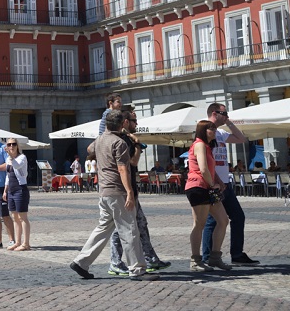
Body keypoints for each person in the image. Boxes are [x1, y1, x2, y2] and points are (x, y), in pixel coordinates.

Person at [69, 110, 158, 281]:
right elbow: (123, 168)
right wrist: (130, 192)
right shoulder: (119, 143)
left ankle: (81, 261)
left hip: (104, 191)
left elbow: (89, 149)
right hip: (118, 191)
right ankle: (137, 269)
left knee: (103, 228)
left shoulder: (101, 139)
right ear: (123, 123)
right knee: (129, 229)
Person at [107, 106, 170, 275]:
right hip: (124, 190)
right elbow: (132, 163)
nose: (137, 124)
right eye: (134, 121)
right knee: (120, 227)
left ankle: (150, 259)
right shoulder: (124, 141)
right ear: (126, 122)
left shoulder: (126, 138)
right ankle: (115, 261)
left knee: (140, 224)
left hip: (129, 189)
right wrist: (137, 145)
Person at [201, 103, 258, 266]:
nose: (226, 115)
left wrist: (229, 123)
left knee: (238, 216)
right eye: (224, 113)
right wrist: (215, 181)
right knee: (212, 220)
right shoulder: (205, 130)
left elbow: (241, 139)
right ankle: (207, 257)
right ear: (214, 113)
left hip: (225, 183)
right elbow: (205, 160)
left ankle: (237, 253)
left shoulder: (220, 132)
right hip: (214, 183)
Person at [185, 120, 231, 272]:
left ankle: (215, 258)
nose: (214, 130)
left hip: (208, 187)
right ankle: (195, 261)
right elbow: (203, 169)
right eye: (210, 128)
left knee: (223, 220)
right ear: (203, 131)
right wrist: (213, 184)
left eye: (214, 128)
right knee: (199, 224)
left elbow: (210, 169)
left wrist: (217, 180)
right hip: (198, 187)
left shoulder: (207, 146)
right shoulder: (199, 144)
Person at [2, 139, 30, 250]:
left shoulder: (22, 157)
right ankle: (17, 242)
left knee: (23, 217)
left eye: (14, 144)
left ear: (17, 146)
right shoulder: (8, 159)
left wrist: (10, 156)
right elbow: (8, 175)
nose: (11, 146)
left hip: (20, 189)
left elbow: (17, 166)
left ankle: (26, 243)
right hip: (11, 190)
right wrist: (5, 190)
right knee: (15, 217)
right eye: (9, 144)